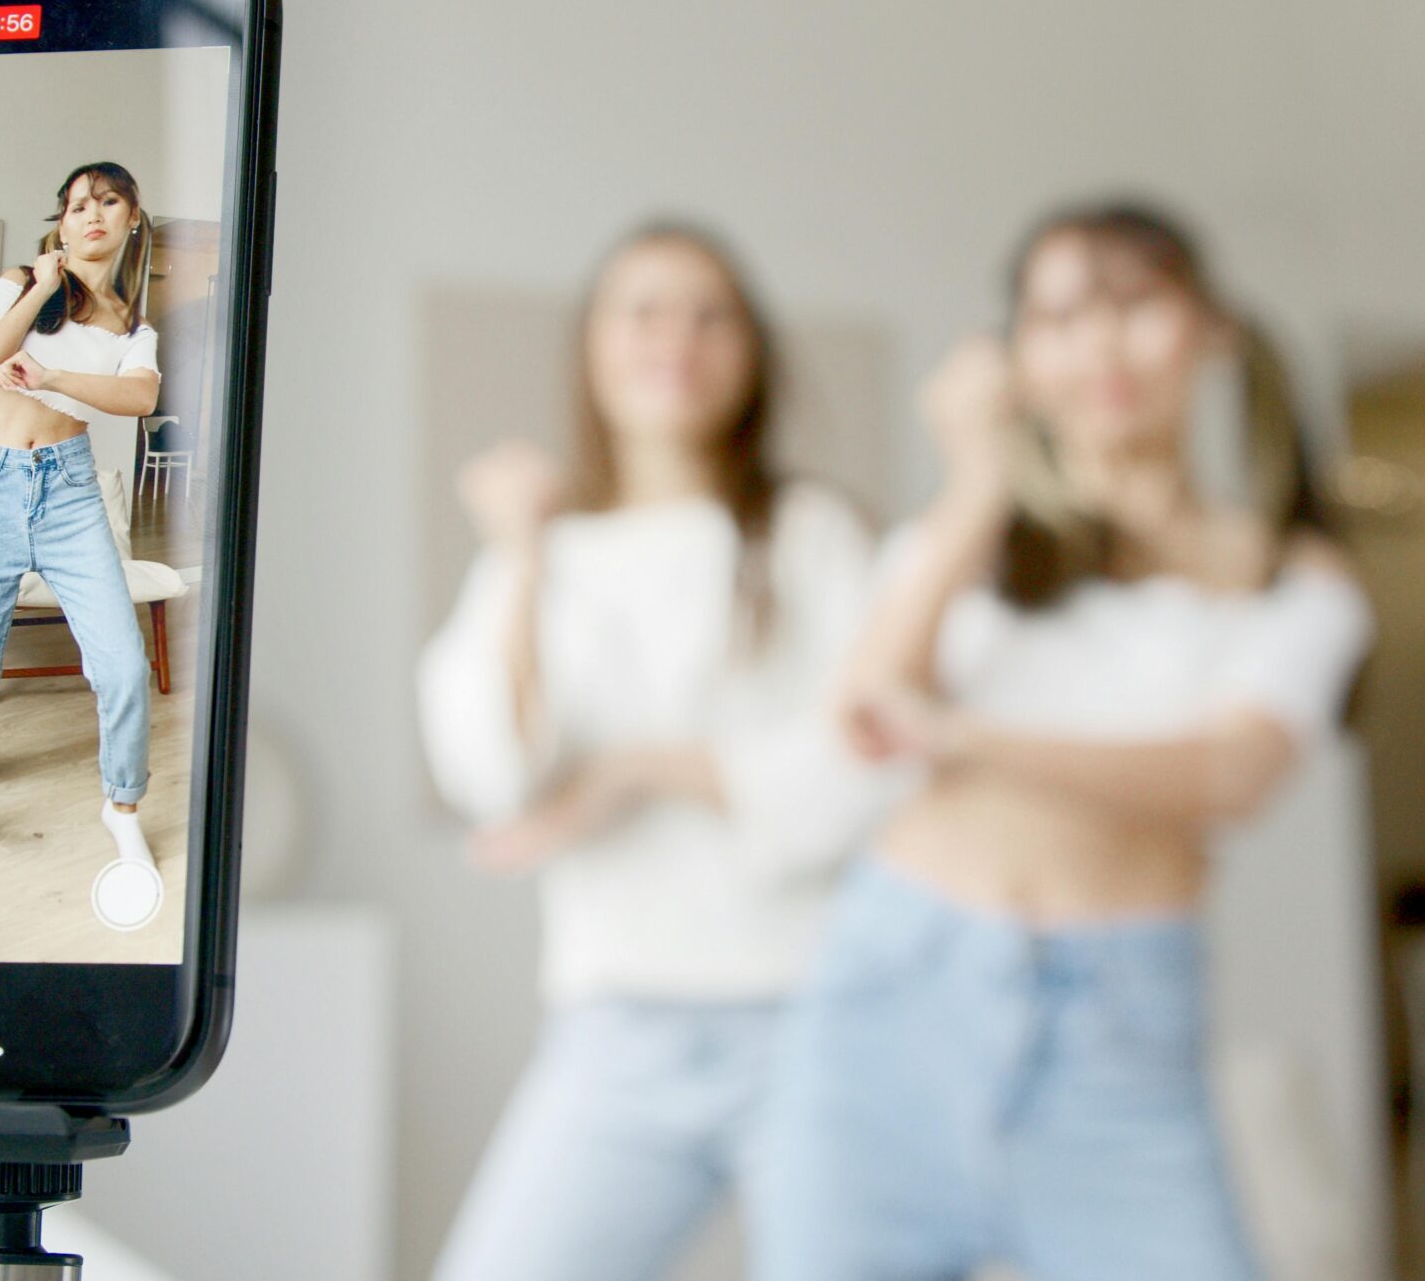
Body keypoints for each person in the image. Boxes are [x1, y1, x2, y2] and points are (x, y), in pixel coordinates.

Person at [754, 202, 1374, 1281]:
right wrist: (977, 485)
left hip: (1118, 1032)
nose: (1100, 347)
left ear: (1211, 330)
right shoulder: (968, 546)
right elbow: (863, 717)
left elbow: (1230, 775)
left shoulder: (1288, 577)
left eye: (1134, 304)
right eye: (1058, 319)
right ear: (1016, 361)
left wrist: (967, 738)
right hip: (890, 1001)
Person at [418, 224, 893, 1281]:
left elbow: (862, 773)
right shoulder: (543, 553)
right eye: (644, 311)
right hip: (616, 1029)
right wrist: (522, 549)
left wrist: (629, 773)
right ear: (592, 344)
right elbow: (492, 773)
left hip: (817, 1022)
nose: (676, 338)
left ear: (752, 352)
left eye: (710, 314)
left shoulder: (813, 534)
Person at [0, 161, 162, 879]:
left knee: (124, 668)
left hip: (69, 493)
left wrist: (53, 377)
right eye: (76, 205)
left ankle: (122, 808)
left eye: (108, 201)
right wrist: (39, 285)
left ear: (131, 218)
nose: (91, 214)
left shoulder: (133, 324)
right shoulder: (19, 284)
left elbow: (140, 398)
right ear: (60, 223)